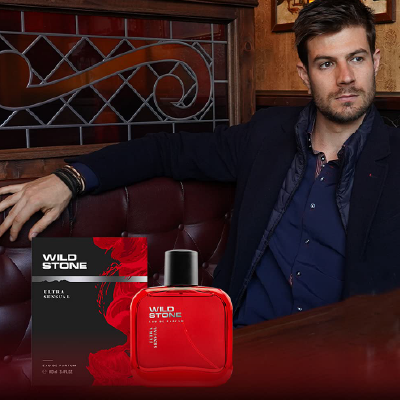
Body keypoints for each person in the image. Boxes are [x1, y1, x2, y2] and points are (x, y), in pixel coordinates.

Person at [0, 0, 399, 327]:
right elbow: (166, 150)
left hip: (342, 357)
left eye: (356, 58)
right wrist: (71, 178)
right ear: (304, 74)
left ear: (376, 61)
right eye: (326, 63)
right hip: (239, 342)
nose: (346, 77)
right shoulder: (267, 135)